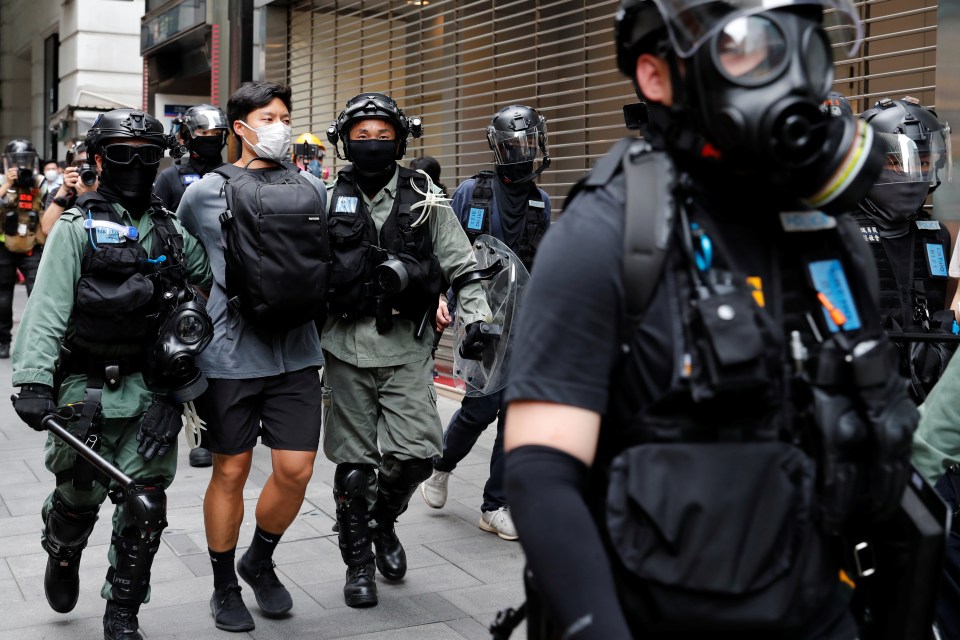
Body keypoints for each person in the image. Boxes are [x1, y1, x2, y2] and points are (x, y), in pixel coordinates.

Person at [502, 0, 924, 638]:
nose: (785, 69)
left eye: (803, 44)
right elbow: (540, 471)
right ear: (656, 75)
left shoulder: (832, 238)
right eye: (748, 44)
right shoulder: (604, 237)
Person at [10, 108, 212, 640]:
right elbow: (47, 307)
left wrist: (177, 396)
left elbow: (203, 302)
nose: (137, 165)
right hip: (87, 389)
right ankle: (63, 549)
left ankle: (122, 613)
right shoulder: (77, 228)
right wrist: (32, 381)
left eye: (149, 155)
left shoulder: (173, 234)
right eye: (122, 153)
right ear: (100, 160)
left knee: (147, 505)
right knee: (79, 498)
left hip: (152, 391)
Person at [322, 92, 490, 608]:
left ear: (401, 139)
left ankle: (381, 523)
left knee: (418, 454)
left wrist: (477, 317)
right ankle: (357, 565)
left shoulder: (426, 196)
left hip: (408, 346)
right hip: (345, 348)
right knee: (355, 464)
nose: (373, 144)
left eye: (384, 135)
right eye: (362, 136)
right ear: (344, 140)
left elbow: (462, 265)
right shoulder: (324, 197)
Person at [176, 81, 328, 633]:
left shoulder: (313, 188)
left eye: (285, 116)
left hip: (297, 353)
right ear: (240, 128)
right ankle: (223, 585)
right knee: (232, 470)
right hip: (230, 355)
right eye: (269, 117)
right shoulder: (203, 193)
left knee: (296, 469)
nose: (280, 126)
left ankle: (259, 559)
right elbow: (184, 264)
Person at [420, 105, 551, 541]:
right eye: (516, 143)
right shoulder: (471, 193)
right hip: (478, 315)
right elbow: (447, 247)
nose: (524, 150)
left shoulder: (541, 202)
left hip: (524, 321)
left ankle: (496, 504)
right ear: (499, 148)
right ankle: (441, 467)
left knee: (516, 411)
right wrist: (440, 294)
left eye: (530, 141)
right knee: (479, 408)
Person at [851, 96, 955, 402]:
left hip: (927, 398)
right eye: (895, 162)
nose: (912, 174)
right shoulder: (837, 235)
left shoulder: (936, 236)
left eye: (922, 163)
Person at [153, 103, 229, 470]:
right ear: (186, 137)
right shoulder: (171, 178)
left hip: (226, 281)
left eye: (217, 136)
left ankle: (227, 423)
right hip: (187, 284)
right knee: (191, 358)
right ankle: (200, 433)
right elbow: (162, 226)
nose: (211, 142)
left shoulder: (233, 174)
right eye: (204, 135)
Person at [0, 138, 49, 359]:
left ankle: (35, 343)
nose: (20, 166)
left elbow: (51, 208)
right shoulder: (2, 182)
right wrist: (7, 186)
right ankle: (3, 341)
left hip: (33, 247)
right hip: (5, 246)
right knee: (2, 298)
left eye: (24, 161)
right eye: (15, 161)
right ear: (6, 162)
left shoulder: (41, 182)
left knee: (36, 295)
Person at [154, 104, 229, 213]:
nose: (211, 137)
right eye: (204, 132)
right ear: (187, 135)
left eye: (216, 133)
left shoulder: (233, 175)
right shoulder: (169, 177)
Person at [42, 141, 100, 236]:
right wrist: (64, 189)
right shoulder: (59, 192)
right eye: (79, 164)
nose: (85, 168)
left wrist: (92, 194)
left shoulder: (106, 191)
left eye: (90, 163)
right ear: (71, 167)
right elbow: (47, 229)